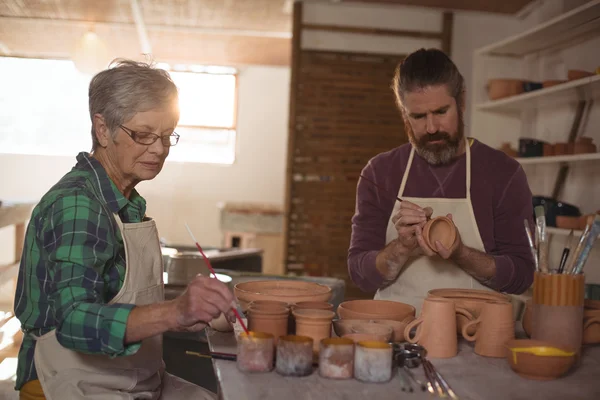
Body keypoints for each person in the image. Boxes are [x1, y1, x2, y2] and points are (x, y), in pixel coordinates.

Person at [14, 59, 233, 400]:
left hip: (131, 377)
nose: (159, 149)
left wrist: (185, 314)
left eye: (166, 135)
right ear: (103, 130)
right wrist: (174, 311)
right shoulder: (78, 204)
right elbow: (73, 320)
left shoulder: (127, 203)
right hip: (68, 381)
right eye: (143, 134)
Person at [348, 48, 535, 313]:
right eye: (419, 116)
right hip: (399, 330)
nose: (432, 127)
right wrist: (401, 248)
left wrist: (460, 252)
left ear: (462, 102)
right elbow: (360, 275)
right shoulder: (380, 172)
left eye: (440, 111)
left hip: (474, 333)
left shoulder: (503, 173)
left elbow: (522, 275)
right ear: (404, 114)